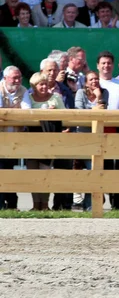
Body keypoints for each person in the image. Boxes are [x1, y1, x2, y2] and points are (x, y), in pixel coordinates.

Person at [26, 72, 66, 211]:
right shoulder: (29, 99)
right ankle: (35, 204)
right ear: (34, 86)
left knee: (45, 173)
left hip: (49, 141)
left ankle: (45, 204)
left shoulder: (55, 98)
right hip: (30, 141)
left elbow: (66, 116)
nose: (44, 87)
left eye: (45, 84)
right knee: (33, 174)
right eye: (40, 84)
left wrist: (54, 113)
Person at [74, 70, 108, 211]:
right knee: (80, 171)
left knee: (93, 169)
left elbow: (104, 112)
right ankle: (77, 201)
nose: (94, 82)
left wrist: (99, 97)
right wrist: (96, 109)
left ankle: (90, 204)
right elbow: (79, 113)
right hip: (82, 137)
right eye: (91, 79)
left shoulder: (104, 92)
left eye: (96, 79)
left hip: (98, 137)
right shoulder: (80, 93)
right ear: (86, 82)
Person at [0, 66, 31, 211]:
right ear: (5, 78)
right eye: (14, 78)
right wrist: (15, 111)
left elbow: (27, 113)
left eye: (19, 77)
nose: (18, 81)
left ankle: (12, 206)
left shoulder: (23, 90)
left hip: (14, 142)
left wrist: (9, 113)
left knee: (10, 172)